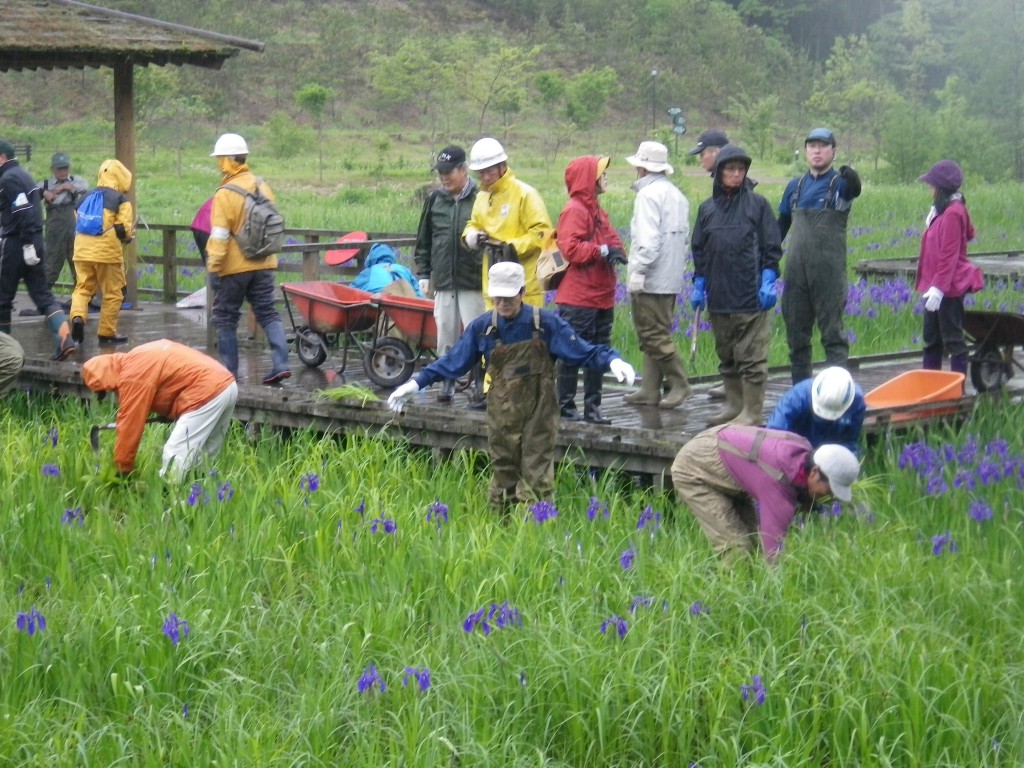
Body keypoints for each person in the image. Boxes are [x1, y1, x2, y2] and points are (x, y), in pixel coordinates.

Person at [387, 262, 635, 511]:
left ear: (522, 292)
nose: (503, 303)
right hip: (502, 416)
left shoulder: (545, 324)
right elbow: (452, 362)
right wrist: (416, 383)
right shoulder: (483, 328)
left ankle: (534, 538)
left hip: (540, 414)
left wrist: (611, 360)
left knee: (536, 480)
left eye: (509, 296)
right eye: (498, 297)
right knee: (503, 479)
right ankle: (501, 536)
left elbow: (582, 351)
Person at [671, 424, 860, 561]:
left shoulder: (803, 451)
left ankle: (747, 592)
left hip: (725, 450)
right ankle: (734, 606)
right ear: (815, 472)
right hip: (695, 468)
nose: (830, 496)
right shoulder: (777, 484)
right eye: (831, 489)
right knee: (737, 550)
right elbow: (773, 554)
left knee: (751, 539)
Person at [690, 144, 781, 426]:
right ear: (719, 172)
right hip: (719, 296)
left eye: (741, 169)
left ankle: (752, 412)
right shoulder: (707, 210)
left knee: (751, 358)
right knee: (727, 354)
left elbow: (771, 247)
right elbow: (700, 250)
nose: (736, 174)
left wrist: (768, 280)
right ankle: (733, 406)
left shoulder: (758, 205)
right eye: (730, 169)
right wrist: (699, 283)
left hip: (750, 296)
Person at [82, 339, 238, 481]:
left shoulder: (132, 376)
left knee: (175, 453)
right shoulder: (138, 356)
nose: (113, 393)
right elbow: (174, 379)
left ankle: (168, 501)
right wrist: (170, 412)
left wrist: (123, 469)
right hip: (227, 384)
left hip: (206, 392)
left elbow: (130, 425)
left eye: (107, 389)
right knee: (203, 458)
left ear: (107, 379)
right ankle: (199, 501)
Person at [778, 128, 862, 384]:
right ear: (805, 151)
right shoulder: (794, 187)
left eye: (823, 146)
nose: (817, 150)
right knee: (796, 336)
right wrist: (767, 261)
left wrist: (854, 178)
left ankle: (839, 394)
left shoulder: (840, 185)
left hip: (828, 273)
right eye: (812, 145)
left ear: (833, 152)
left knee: (832, 335)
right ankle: (800, 392)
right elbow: (779, 227)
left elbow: (854, 190)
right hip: (796, 273)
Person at [206, 132, 292, 385]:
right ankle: (281, 363)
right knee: (267, 312)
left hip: (234, 267)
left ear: (226, 160)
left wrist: (214, 267)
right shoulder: (262, 185)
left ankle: (228, 373)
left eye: (219, 158)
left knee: (225, 316)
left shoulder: (224, 193)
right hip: (265, 262)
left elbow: (220, 236)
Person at [554, 155, 626, 424]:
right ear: (588, 179)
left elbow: (612, 238)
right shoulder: (575, 209)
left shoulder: (596, 209)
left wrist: (617, 250)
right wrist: (601, 251)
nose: (605, 178)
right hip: (579, 297)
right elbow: (569, 248)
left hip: (601, 296)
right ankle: (565, 407)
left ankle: (593, 408)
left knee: (599, 351)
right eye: (600, 174)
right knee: (572, 352)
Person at [622, 141, 692, 409]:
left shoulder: (648, 196)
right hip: (671, 277)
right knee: (656, 332)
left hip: (651, 278)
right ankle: (650, 389)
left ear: (641, 168)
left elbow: (647, 240)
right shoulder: (677, 195)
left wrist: (638, 269)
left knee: (652, 335)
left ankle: (680, 384)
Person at [413, 145, 483, 404]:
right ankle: (448, 382)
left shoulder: (480, 197)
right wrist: (424, 272)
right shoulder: (435, 200)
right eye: (440, 172)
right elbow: (424, 239)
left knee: (478, 332)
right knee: (445, 334)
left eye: (448, 171)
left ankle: (479, 382)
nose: (443, 177)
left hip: (472, 279)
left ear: (463, 170)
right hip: (443, 280)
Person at [0, 139, 78, 360]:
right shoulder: (23, 175)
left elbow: (23, 210)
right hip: (35, 240)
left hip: (16, 242)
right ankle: (64, 338)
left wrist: (24, 243)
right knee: (42, 295)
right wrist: (31, 242)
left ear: (2, 158)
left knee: (2, 299)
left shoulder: (8, 178)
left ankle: (4, 353)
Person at [462, 138, 552, 308]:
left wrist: (509, 247)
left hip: (524, 287)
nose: (486, 176)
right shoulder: (482, 197)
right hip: (494, 286)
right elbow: (473, 223)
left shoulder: (525, 194)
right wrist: (470, 236)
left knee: (526, 333)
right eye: (481, 172)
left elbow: (542, 233)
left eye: (490, 170)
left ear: (503, 166)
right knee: (495, 331)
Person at [915, 160, 983, 375]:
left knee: (953, 339)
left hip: (948, 286)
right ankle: (930, 386)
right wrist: (936, 220)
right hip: (935, 282)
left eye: (932, 186)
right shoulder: (948, 210)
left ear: (940, 188)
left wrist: (938, 288)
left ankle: (956, 389)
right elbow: (970, 233)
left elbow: (949, 256)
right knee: (931, 339)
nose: (929, 189)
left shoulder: (954, 212)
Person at [69, 158, 134, 346]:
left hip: (81, 251)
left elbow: (78, 220)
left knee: (83, 288)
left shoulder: (85, 197)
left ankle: (78, 317)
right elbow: (122, 228)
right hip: (106, 253)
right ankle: (106, 333)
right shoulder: (121, 200)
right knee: (113, 293)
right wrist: (127, 238)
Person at [688, 129, 730, 401]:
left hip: (735, 273)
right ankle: (728, 381)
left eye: (703, 153)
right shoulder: (712, 194)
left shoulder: (740, 186)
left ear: (716, 152)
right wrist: (700, 277)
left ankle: (737, 388)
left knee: (736, 332)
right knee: (722, 332)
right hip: (715, 272)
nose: (701, 159)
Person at [765, 366, 866, 454]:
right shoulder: (797, 397)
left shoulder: (857, 402)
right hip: (794, 451)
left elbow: (850, 442)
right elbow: (774, 435)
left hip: (829, 455)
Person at [39, 152, 88, 289]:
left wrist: (67, 187)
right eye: (59, 169)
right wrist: (43, 192)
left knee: (77, 258)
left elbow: (85, 187)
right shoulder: (45, 184)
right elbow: (29, 192)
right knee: (53, 259)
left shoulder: (75, 180)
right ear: (53, 169)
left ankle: (82, 296)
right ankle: (44, 296)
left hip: (73, 223)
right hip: (54, 226)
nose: (63, 172)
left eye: (65, 168)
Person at [351, 242, 423, 297]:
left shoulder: (368, 272)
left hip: (379, 307)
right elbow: (419, 295)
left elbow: (351, 291)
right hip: (408, 305)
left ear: (371, 258)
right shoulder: (404, 269)